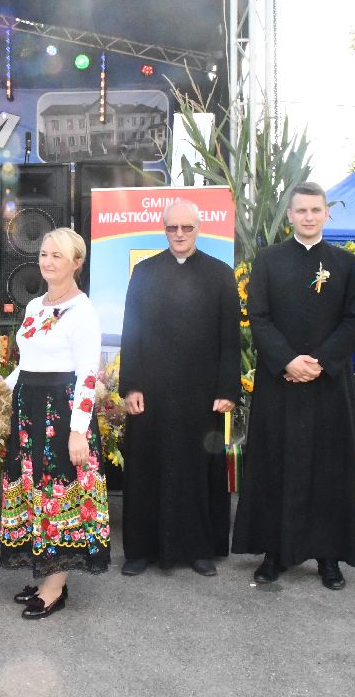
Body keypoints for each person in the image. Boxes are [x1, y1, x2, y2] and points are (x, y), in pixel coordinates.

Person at [231, 182, 355, 590]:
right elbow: (258, 316)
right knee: (275, 465)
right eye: (301, 210)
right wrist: (288, 361)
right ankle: (274, 552)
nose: (308, 217)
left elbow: (354, 319)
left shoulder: (345, 263)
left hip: (328, 385)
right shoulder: (269, 260)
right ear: (290, 215)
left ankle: (329, 556)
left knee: (329, 469)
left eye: (315, 210)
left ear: (326, 213)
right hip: (280, 383)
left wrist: (320, 363)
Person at [118, 200, 241, 576]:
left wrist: (227, 389)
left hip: (201, 392)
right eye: (172, 228)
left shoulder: (220, 274)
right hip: (151, 391)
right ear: (164, 229)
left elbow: (230, 338)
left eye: (187, 227)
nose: (179, 234)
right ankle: (140, 550)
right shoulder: (144, 272)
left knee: (197, 469)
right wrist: (131, 385)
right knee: (145, 468)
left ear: (198, 229)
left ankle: (199, 548)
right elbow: (131, 332)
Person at [0, 228, 108, 618]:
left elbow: (88, 375)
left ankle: (55, 587)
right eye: (44, 254)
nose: (47, 261)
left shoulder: (83, 311)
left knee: (58, 495)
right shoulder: (35, 306)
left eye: (57, 255)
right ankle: (46, 569)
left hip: (61, 413)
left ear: (76, 262)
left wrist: (78, 431)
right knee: (35, 492)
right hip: (29, 409)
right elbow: (27, 364)